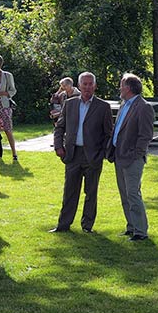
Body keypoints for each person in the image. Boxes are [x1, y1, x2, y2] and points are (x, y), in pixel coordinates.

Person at [51, 72, 113, 233]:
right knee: (69, 191)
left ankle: (87, 226)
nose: (87, 87)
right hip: (72, 154)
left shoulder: (103, 107)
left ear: (95, 86)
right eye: (84, 84)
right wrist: (59, 146)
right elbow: (60, 127)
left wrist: (102, 154)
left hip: (93, 156)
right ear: (79, 86)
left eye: (90, 84)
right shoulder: (70, 104)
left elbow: (108, 134)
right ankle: (63, 225)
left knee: (91, 192)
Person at [110, 73, 155, 241]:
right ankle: (131, 226)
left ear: (128, 88)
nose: (119, 88)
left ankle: (141, 231)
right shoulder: (124, 104)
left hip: (132, 159)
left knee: (133, 194)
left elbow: (146, 135)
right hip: (119, 156)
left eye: (121, 85)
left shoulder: (143, 107)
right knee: (124, 194)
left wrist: (137, 154)